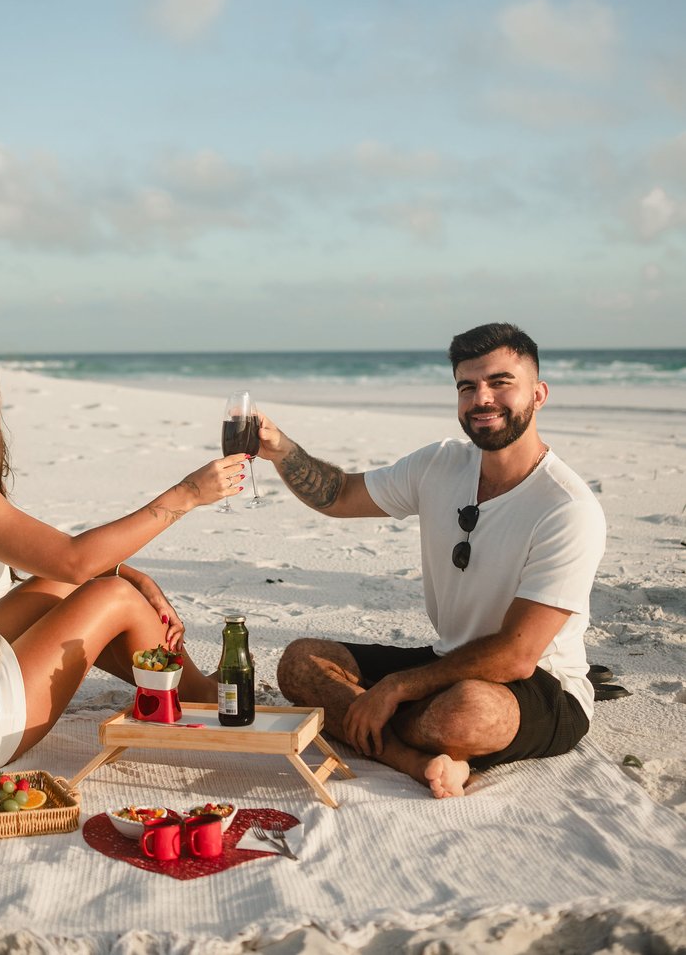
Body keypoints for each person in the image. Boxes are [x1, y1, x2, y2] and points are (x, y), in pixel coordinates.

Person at [0, 346, 247, 777]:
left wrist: (134, 574)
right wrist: (187, 494)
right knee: (113, 596)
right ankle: (205, 696)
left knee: (79, 587)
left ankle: (177, 685)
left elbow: (53, 565)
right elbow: (73, 560)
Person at [260, 322, 606, 799]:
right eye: (467, 386)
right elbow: (339, 495)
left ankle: (378, 729)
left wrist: (395, 688)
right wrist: (281, 450)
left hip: (539, 686)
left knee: (467, 712)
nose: (482, 398)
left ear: (538, 393)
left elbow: (517, 656)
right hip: (449, 661)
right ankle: (411, 758)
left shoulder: (566, 507)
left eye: (500, 382)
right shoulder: (441, 464)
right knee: (300, 661)